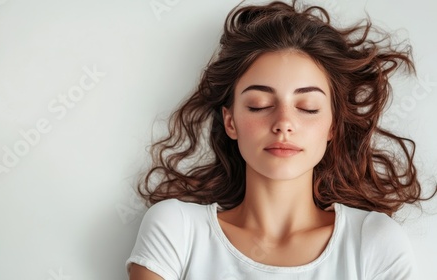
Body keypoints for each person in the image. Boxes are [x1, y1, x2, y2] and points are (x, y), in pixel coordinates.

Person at [126, 1, 436, 279]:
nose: (284, 123)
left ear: (332, 126)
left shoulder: (372, 240)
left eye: (308, 108)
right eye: (259, 105)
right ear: (230, 121)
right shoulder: (178, 230)